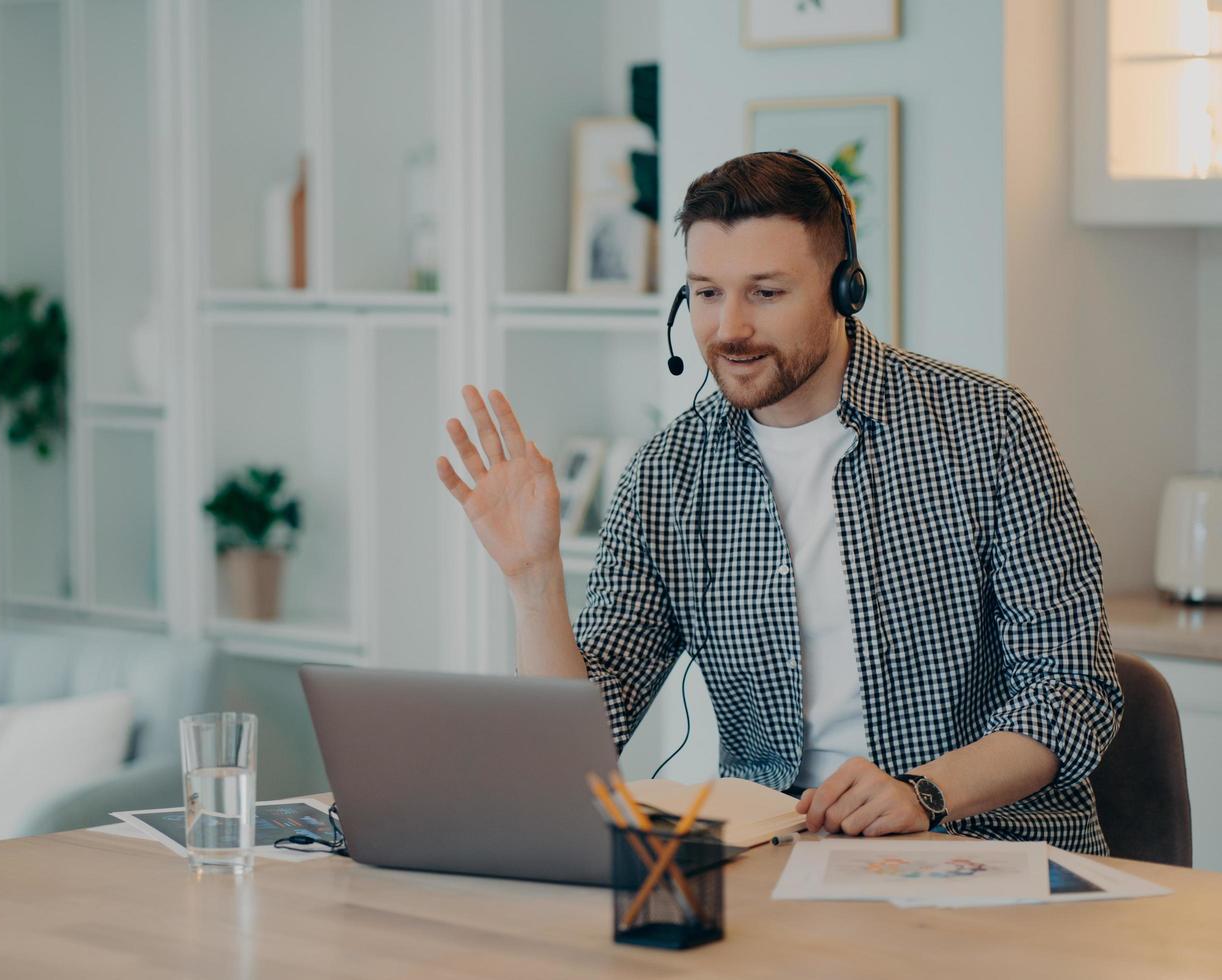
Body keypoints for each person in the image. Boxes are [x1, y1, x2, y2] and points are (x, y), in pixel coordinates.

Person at [435, 151, 1123, 854]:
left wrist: (922, 792)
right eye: (706, 293)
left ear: (843, 289)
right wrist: (533, 577)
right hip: (777, 864)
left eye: (765, 293)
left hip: (985, 847)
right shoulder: (669, 474)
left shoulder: (986, 429)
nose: (729, 328)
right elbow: (578, 745)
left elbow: (1074, 689)